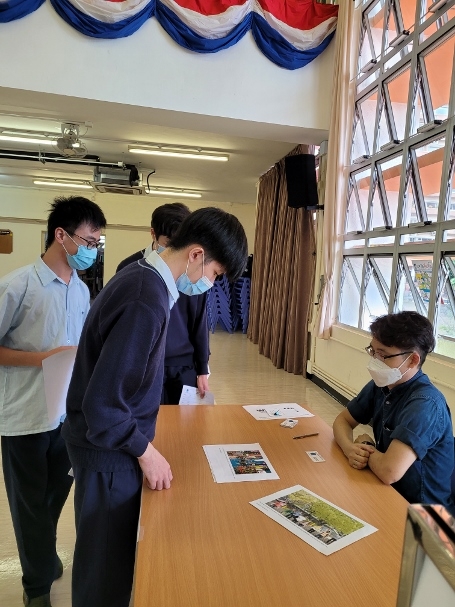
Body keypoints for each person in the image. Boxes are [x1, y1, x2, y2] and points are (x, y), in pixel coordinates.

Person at [62, 207, 248, 607]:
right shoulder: (144, 298)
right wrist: (147, 453)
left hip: (111, 445)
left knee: (107, 556)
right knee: (104, 569)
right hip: (108, 452)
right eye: (215, 274)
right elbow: (104, 407)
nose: (211, 284)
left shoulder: (143, 278)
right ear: (196, 255)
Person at [0, 196, 107, 607]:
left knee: (55, 495)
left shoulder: (80, 291)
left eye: (97, 243)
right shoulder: (17, 286)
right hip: (24, 417)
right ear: (61, 235)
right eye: (89, 241)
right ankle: (37, 588)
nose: (92, 250)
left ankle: (41, 557)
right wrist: (41, 359)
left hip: (65, 417)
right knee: (29, 505)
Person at [333, 311, 455, 514]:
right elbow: (343, 420)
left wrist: (366, 446)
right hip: (388, 492)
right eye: (373, 351)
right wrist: (349, 448)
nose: (375, 360)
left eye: (383, 355)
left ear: (412, 360)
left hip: (426, 516)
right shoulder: (384, 385)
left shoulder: (425, 404)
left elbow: (389, 471)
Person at [116, 202, 210, 403]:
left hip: (183, 365)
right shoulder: (129, 268)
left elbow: (200, 322)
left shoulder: (193, 271)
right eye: (169, 243)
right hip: (145, 365)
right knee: (149, 419)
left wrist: (203, 368)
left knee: (186, 421)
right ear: (153, 234)